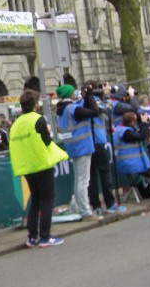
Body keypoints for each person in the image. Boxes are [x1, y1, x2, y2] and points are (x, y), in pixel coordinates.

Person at [10, 88, 68, 248]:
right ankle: (45, 236)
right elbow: (47, 142)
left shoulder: (16, 125)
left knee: (35, 199)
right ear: (35, 104)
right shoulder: (38, 120)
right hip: (41, 163)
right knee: (48, 199)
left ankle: (32, 237)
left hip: (27, 166)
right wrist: (48, 131)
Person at [56, 84, 95, 221]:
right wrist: (90, 96)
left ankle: (77, 206)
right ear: (70, 94)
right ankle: (85, 211)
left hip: (73, 147)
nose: (75, 94)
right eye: (73, 92)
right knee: (83, 181)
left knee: (78, 179)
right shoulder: (73, 109)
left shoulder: (62, 111)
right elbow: (94, 112)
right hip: (82, 146)